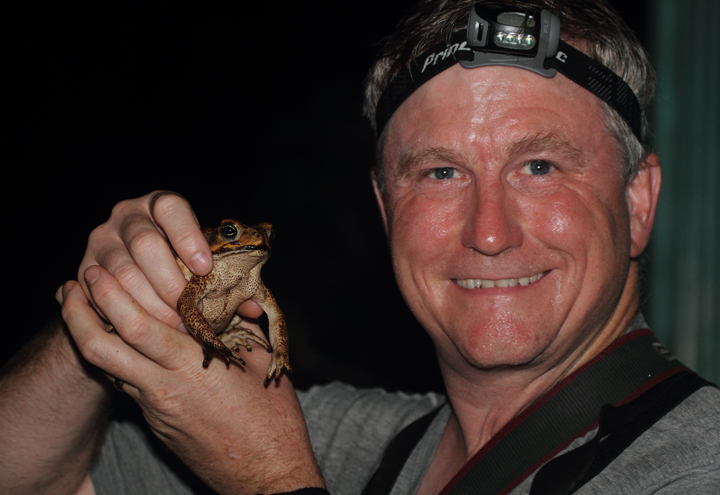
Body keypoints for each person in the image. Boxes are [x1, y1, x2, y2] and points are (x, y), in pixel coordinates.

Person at [1, 1, 718, 494]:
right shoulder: (350, 444)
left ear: (637, 200)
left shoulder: (695, 463)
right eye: (440, 172)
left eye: (540, 166)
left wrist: (268, 478)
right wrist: (106, 310)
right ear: (384, 208)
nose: (489, 231)